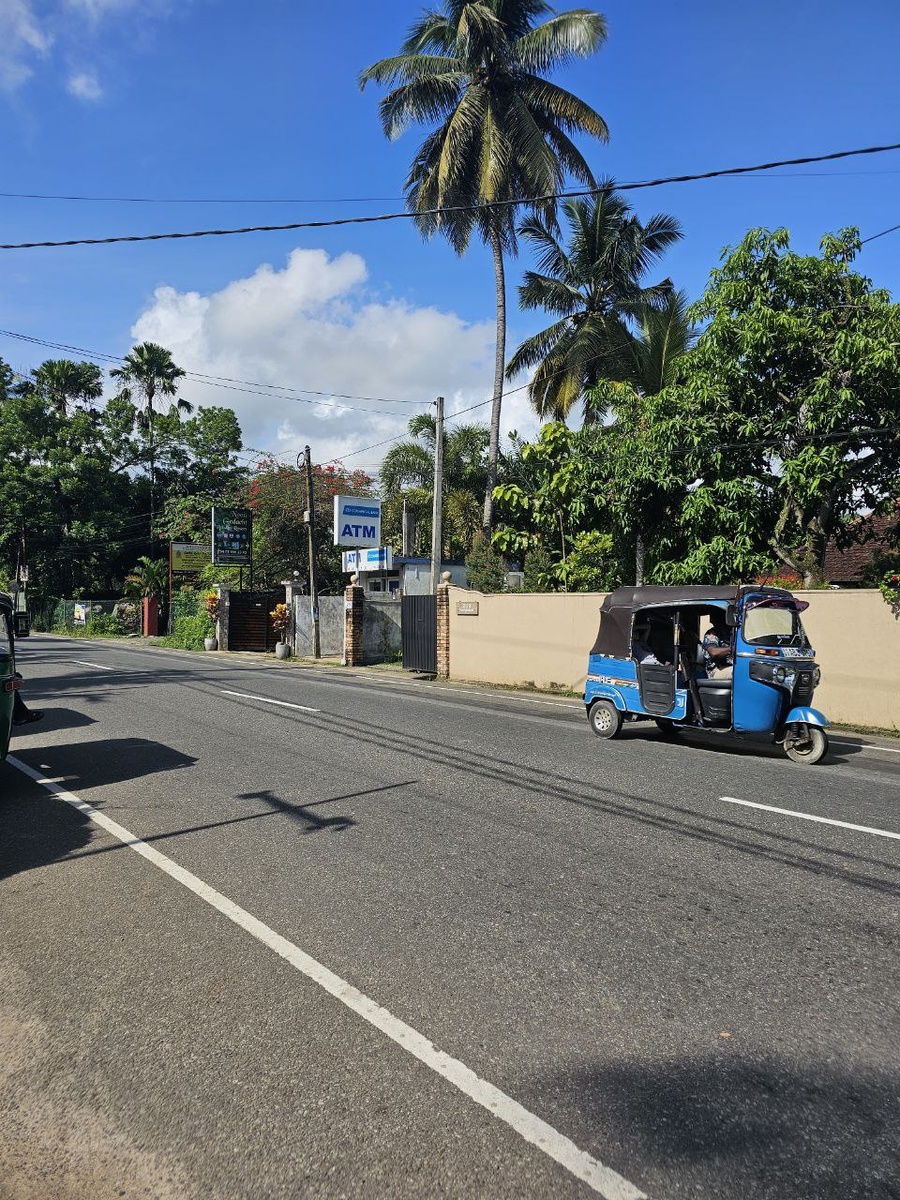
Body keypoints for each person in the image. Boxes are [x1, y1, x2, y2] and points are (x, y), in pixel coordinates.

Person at [703, 613, 733, 679]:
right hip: (715, 671)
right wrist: (733, 648)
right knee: (740, 672)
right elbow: (713, 652)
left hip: (730, 666)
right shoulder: (712, 634)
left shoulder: (733, 633)